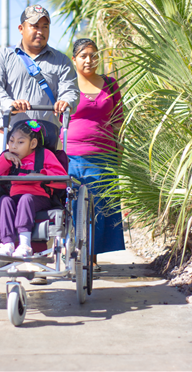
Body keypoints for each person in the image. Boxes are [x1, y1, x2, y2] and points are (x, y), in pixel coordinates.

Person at [60, 38, 125, 271]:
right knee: (72, 207)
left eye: (93, 55)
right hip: (72, 157)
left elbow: (119, 121)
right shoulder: (67, 85)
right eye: (84, 55)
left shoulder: (110, 84)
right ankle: (72, 252)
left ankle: (92, 257)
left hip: (104, 157)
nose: (89, 60)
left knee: (99, 208)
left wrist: (119, 155)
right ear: (74, 59)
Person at [0, 4, 80, 164]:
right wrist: (10, 105)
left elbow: (70, 91)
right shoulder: (2, 57)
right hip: (8, 140)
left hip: (47, 142)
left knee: (51, 188)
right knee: (0, 187)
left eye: (45, 27)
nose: (40, 32)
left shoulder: (62, 61)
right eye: (35, 26)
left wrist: (66, 102)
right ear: (21, 28)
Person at [0, 120, 67, 258]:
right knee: (4, 201)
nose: (13, 146)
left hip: (39, 198)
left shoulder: (45, 155)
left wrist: (42, 175)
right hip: (14, 197)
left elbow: (62, 180)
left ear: (33, 144)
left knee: (26, 198)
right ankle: (7, 244)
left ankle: (25, 244)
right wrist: (4, 159)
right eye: (11, 141)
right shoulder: (7, 157)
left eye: (20, 142)